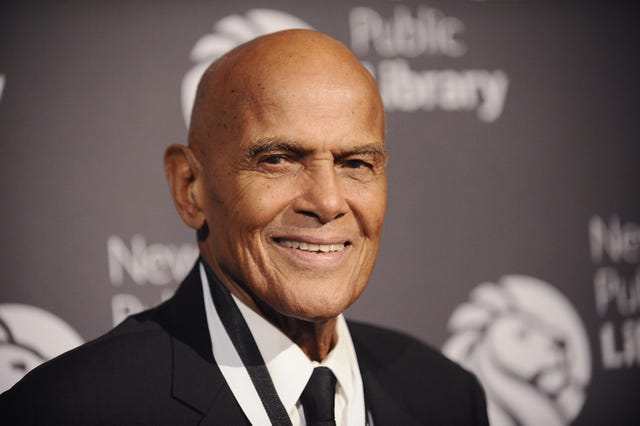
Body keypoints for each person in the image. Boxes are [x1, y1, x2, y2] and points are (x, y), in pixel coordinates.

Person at [0, 29, 488, 425]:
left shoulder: (445, 396)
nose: (327, 201)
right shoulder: (70, 410)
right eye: (277, 159)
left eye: (356, 163)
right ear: (189, 186)